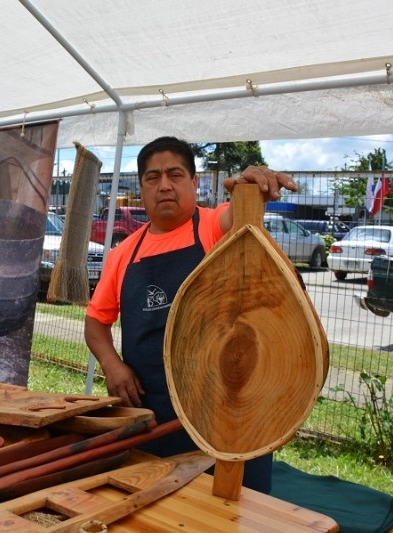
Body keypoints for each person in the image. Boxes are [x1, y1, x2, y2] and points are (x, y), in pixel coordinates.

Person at [84, 136, 297, 494]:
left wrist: (247, 191)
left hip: (229, 413)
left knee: (236, 514)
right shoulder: (123, 254)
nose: (164, 185)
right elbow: (95, 321)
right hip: (153, 417)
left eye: (175, 174)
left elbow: (240, 217)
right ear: (141, 188)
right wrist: (111, 364)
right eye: (152, 177)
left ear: (194, 183)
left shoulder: (215, 227)